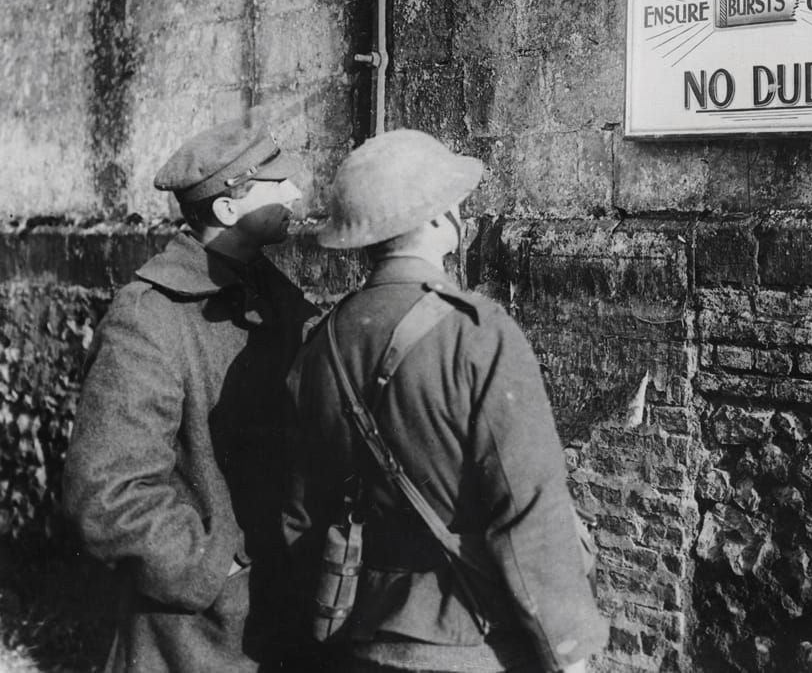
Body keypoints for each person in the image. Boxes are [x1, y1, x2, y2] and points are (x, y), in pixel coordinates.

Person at [283, 129, 607, 673]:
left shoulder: (320, 346)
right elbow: (530, 511)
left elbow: (298, 518)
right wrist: (568, 655)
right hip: (470, 644)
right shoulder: (478, 335)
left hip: (359, 638)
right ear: (438, 220)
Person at [63, 112, 320, 673]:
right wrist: (212, 566)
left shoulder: (276, 296)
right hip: (194, 638)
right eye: (278, 184)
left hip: (281, 620)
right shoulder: (149, 319)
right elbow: (106, 493)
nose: (297, 192)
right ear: (229, 210)